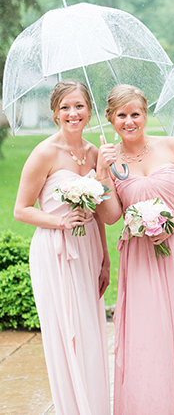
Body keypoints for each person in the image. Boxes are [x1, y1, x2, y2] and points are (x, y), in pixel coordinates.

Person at [96, 84, 174, 415]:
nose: (129, 121)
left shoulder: (172, 146)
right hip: (140, 258)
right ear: (111, 118)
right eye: (122, 115)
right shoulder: (109, 159)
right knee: (147, 337)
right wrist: (102, 174)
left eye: (136, 114)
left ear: (145, 114)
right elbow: (111, 216)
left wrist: (171, 225)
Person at [14, 79, 110, 415]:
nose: (73, 113)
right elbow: (21, 209)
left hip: (88, 252)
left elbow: (100, 213)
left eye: (79, 106)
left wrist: (105, 262)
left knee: (90, 333)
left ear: (89, 110)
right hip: (55, 250)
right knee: (67, 332)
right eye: (65, 107)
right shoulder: (44, 153)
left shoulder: (96, 152)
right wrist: (60, 222)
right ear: (55, 113)